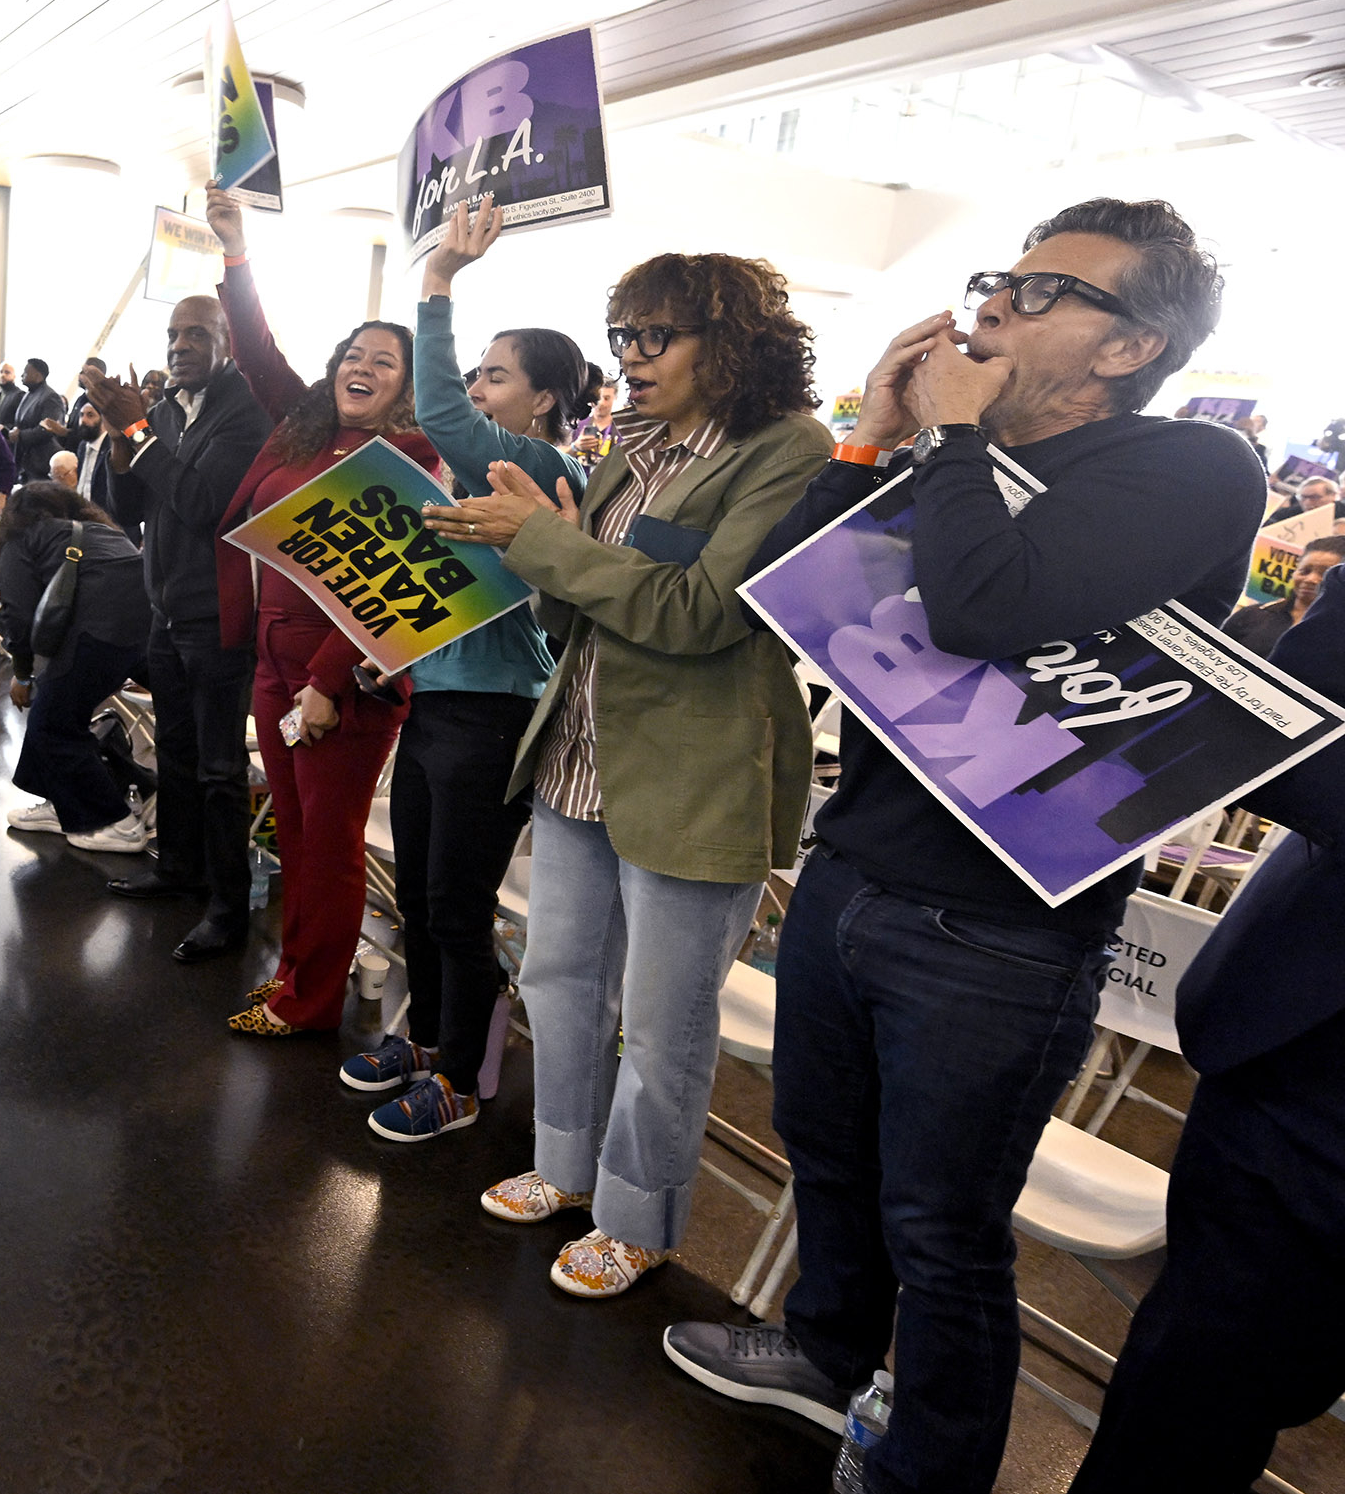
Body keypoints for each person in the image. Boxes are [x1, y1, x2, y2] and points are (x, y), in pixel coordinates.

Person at [661, 199, 1264, 1494]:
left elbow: (993, 604)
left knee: (941, 1227)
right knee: (827, 1152)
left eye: (1047, 292)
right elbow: (773, 591)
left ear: (1128, 349)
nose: (995, 301)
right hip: (859, 864)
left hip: (1001, 925)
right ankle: (823, 1354)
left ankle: (929, 1465)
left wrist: (944, 436)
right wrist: (873, 434)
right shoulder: (953, 460)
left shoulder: (1187, 471)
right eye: (1000, 275)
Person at [433, 235, 828, 1293]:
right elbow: (581, 612)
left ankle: (639, 1215)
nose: (633, 355)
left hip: (693, 776)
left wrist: (550, 542)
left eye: (656, 334)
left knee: (663, 1024)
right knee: (558, 981)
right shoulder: (631, 446)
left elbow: (699, 614)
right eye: (622, 335)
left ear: (731, 340)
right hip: (578, 756)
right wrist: (532, 543)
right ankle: (559, 1164)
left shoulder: (786, 450)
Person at [1068, 564, 1345, 1494]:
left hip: (1307, 1079)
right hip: (1300, 1068)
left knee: (1216, 1382)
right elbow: (1296, 745)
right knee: (1200, 1388)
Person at [340, 193, 594, 1142]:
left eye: (495, 375)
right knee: (423, 897)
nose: (476, 390)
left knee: (456, 904)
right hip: (438, 707)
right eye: (477, 374)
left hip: (493, 719)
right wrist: (388, 654)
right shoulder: (471, 480)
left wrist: (438, 279)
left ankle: (459, 1080)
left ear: (543, 400)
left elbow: (437, 405)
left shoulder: (533, 465)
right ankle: (432, 1043)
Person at [201, 186, 440, 1036]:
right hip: (273, 659)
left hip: (342, 677)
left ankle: (311, 1000)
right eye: (354, 352)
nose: (362, 365)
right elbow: (258, 349)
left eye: (384, 360)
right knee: (293, 833)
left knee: (330, 843)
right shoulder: (301, 428)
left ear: (408, 388)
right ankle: (297, 975)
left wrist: (328, 680)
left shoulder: (411, 454)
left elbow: (390, 583)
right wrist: (237, 253)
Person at [81, 296, 273, 966]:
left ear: (226, 341)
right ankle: (180, 868)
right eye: (172, 334)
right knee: (177, 752)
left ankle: (227, 906)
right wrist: (118, 433)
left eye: (197, 333)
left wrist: (137, 431)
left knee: (221, 768)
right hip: (166, 607)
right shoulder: (160, 412)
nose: (180, 344)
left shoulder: (245, 414)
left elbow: (201, 504)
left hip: (219, 615)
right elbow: (125, 506)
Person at [0, 483, 153, 852]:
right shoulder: (102, 531)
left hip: (95, 636)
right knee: (53, 713)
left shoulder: (20, 542)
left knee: (52, 725)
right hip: (143, 635)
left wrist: (22, 675)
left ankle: (112, 821)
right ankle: (64, 803)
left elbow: (17, 616)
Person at [1223, 536, 1345, 658]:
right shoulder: (1252, 615)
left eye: (1325, 574)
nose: (1311, 579)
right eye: (1305, 571)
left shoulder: (1338, 636)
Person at [7, 358, 66, 481]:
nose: (22, 375)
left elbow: (48, 429)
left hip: (40, 464)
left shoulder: (50, 397)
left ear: (38, 376)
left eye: (26, 372)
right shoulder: (28, 394)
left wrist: (20, 435)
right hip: (24, 463)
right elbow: (21, 423)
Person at [569, 377, 617, 467]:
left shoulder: (622, 429)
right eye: (598, 397)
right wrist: (575, 447)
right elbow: (558, 453)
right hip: (579, 479)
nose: (601, 403)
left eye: (606, 398)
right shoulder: (576, 424)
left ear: (615, 398)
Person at [1265, 472, 1337, 526]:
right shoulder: (1294, 512)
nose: (1307, 502)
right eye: (1303, 497)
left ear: (1332, 496)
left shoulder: (1340, 516)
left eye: (1315, 497)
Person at [0, 361, 24, 428]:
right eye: (1, 372)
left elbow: (22, 421)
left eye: (7, 372)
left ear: (14, 376)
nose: (3, 375)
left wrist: (5, 428)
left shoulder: (20, 395)